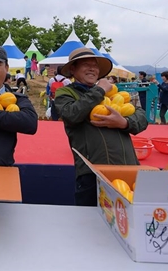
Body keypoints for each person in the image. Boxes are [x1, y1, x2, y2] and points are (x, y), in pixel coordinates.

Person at [54, 47, 148, 206]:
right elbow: (71, 114)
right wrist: (99, 90)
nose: (92, 68)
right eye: (85, 64)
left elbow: (141, 117)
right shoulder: (66, 93)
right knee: (91, 223)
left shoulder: (114, 93)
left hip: (128, 168)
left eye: (95, 65)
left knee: (129, 221)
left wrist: (124, 123)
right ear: (73, 69)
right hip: (92, 173)